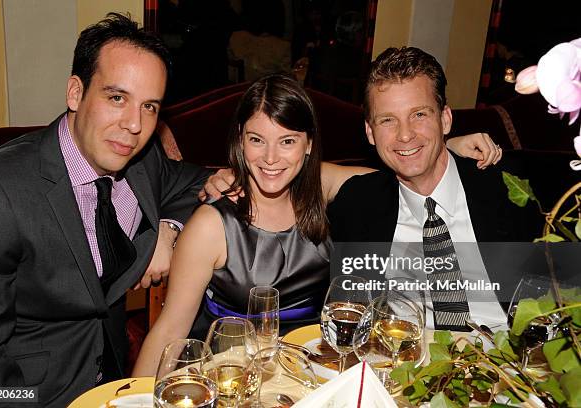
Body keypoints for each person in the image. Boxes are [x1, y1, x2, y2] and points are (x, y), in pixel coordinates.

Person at [132, 73, 501, 376]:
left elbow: (400, 170)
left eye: (288, 141)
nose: (271, 158)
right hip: (233, 372)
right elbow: (169, 332)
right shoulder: (212, 225)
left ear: (308, 145)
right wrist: (137, 400)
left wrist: (443, 146)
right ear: (240, 142)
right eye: (257, 140)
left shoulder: (322, 189)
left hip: (318, 368)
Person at [0, 13, 209, 406]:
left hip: (115, 380)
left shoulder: (143, 161)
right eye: (117, 98)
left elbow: (197, 183)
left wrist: (168, 230)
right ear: (75, 93)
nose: (134, 124)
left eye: (150, 106)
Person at [327, 46, 540, 331]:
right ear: (370, 132)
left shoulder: (507, 188)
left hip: (508, 362)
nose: (404, 134)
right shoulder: (358, 204)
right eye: (388, 120)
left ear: (445, 119)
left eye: (420, 115)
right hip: (407, 363)